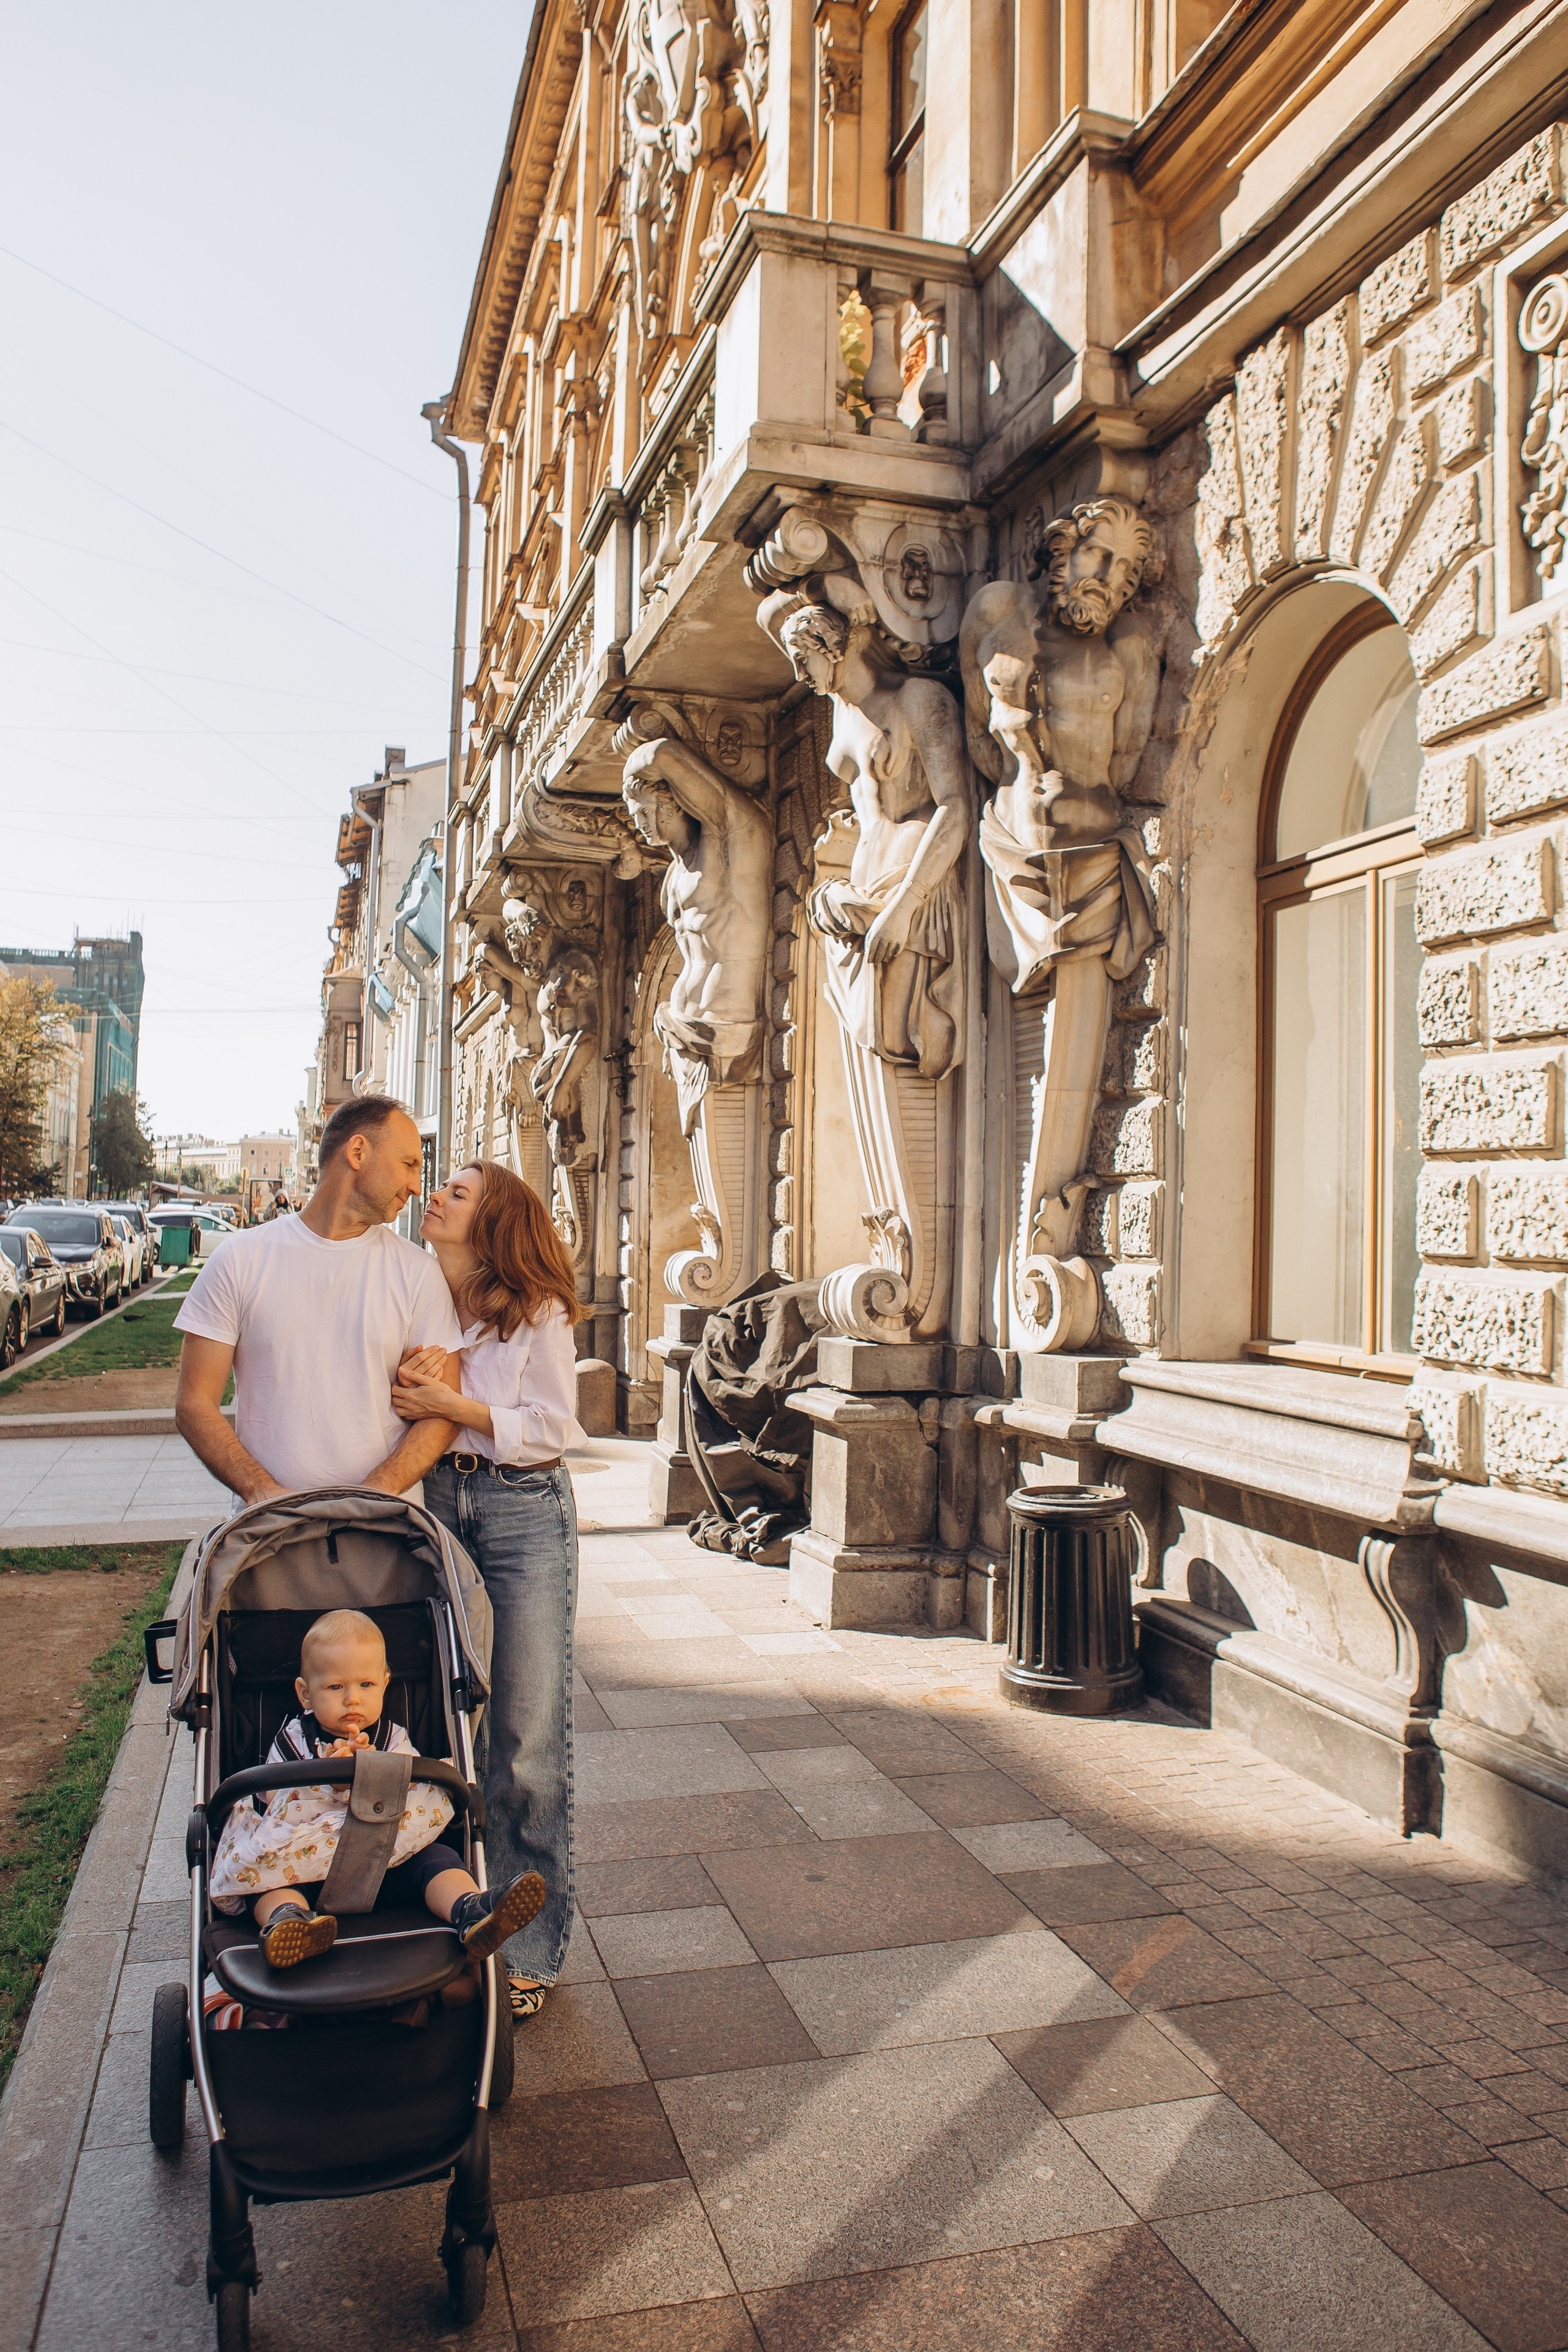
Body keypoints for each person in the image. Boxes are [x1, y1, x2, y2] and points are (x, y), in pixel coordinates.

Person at [390, 1159, 584, 2019]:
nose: (435, 1194)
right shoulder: (410, 1291)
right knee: (431, 1718)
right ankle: (445, 1909)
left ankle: (529, 1949)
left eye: (457, 1192)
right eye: (437, 1186)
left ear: (494, 1219)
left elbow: (552, 1429)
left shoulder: (535, 1310)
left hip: (521, 1512)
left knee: (525, 1729)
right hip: (430, 1496)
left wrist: (454, 1402)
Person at [210, 1609, 546, 1970]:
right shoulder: (292, 1742)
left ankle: (471, 1910)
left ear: (385, 1684)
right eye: (335, 1687)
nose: (352, 1699)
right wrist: (327, 1777)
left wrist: (376, 1773)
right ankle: (290, 1922)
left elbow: (416, 1798)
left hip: (386, 1860)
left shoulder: (393, 1739)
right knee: (266, 1883)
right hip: (304, 1870)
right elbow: (273, 1804)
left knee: (437, 1861)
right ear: (305, 1694)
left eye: (365, 1686)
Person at [173, 1096, 463, 1507]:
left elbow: (443, 1411)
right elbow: (195, 1403)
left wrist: (376, 1491)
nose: (418, 1186)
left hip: (385, 1534)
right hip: (271, 1535)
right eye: (409, 1164)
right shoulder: (239, 1260)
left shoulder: (418, 1273)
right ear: (358, 1152)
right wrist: (263, 1493)